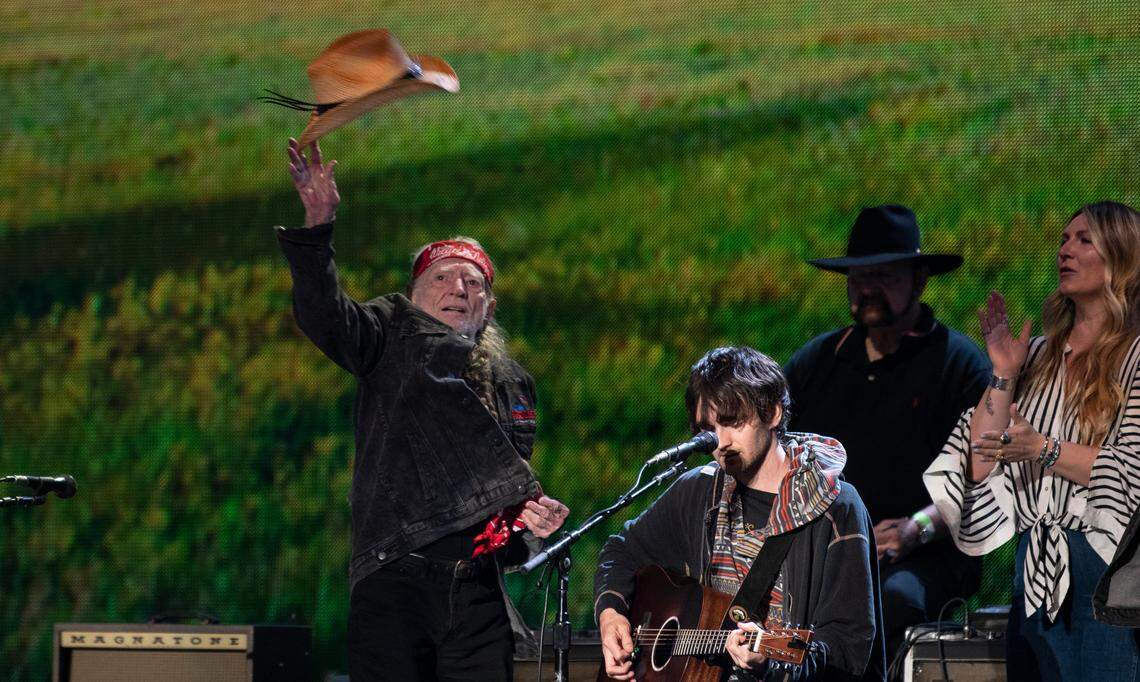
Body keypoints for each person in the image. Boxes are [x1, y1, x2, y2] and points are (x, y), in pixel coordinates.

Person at [275, 138, 570, 681]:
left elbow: (499, 486)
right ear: (413, 295)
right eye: (440, 277)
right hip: (396, 577)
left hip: (477, 590)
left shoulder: (511, 382)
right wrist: (317, 229)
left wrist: (527, 518)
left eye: (472, 282)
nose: (457, 288)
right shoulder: (389, 332)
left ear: (489, 305)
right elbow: (325, 317)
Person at [924, 201, 1140, 680]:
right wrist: (1003, 372)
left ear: (1121, 256)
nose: (1066, 249)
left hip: (1110, 579)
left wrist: (1044, 449)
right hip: (1036, 576)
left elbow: (1132, 470)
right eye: (1064, 239)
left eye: (1085, 240)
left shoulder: (1135, 355)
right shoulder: (1040, 355)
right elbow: (979, 463)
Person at [595, 346, 885, 681]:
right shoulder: (699, 491)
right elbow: (622, 550)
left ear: (773, 412)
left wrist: (769, 662)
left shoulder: (836, 507)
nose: (720, 441)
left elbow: (847, 647)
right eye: (708, 427)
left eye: (732, 421)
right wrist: (611, 615)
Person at [783, 205, 988, 667]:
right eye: (859, 277)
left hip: (924, 554)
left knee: (891, 600)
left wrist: (916, 529)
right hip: (829, 552)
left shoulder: (958, 366)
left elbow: (988, 484)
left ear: (919, 280)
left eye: (885, 276)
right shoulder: (817, 363)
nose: (869, 289)